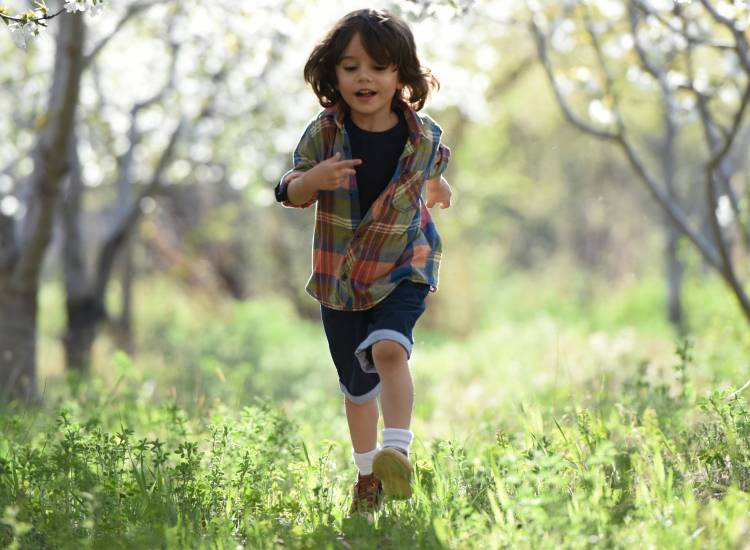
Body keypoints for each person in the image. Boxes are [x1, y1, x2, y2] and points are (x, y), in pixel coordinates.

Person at [274, 8, 452, 515]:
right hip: (343, 278)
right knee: (357, 386)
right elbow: (287, 186)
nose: (364, 77)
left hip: (405, 263)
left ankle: (397, 451)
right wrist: (312, 182)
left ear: (402, 76)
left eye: (378, 66)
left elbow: (433, 166)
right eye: (350, 67)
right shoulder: (325, 135)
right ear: (333, 76)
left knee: (390, 350)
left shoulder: (423, 135)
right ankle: (368, 474)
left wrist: (438, 187)